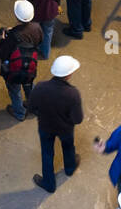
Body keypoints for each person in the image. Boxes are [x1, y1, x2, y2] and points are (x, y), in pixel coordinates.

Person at [27, 55, 83, 193]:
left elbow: (31, 108)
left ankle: (49, 183)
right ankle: (69, 169)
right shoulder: (73, 94)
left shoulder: (40, 87)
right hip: (65, 129)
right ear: (68, 75)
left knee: (47, 153)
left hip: (45, 127)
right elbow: (78, 119)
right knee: (68, 147)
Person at [0, 0, 42, 120]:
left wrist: (3, 39)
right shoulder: (37, 27)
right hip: (30, 68)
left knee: (15, 91)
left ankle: (20, 113)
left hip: (13, 71)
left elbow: (2, 54)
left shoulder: (12, 35)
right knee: (29, 86)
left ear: (17, 16)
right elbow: (39, 42)